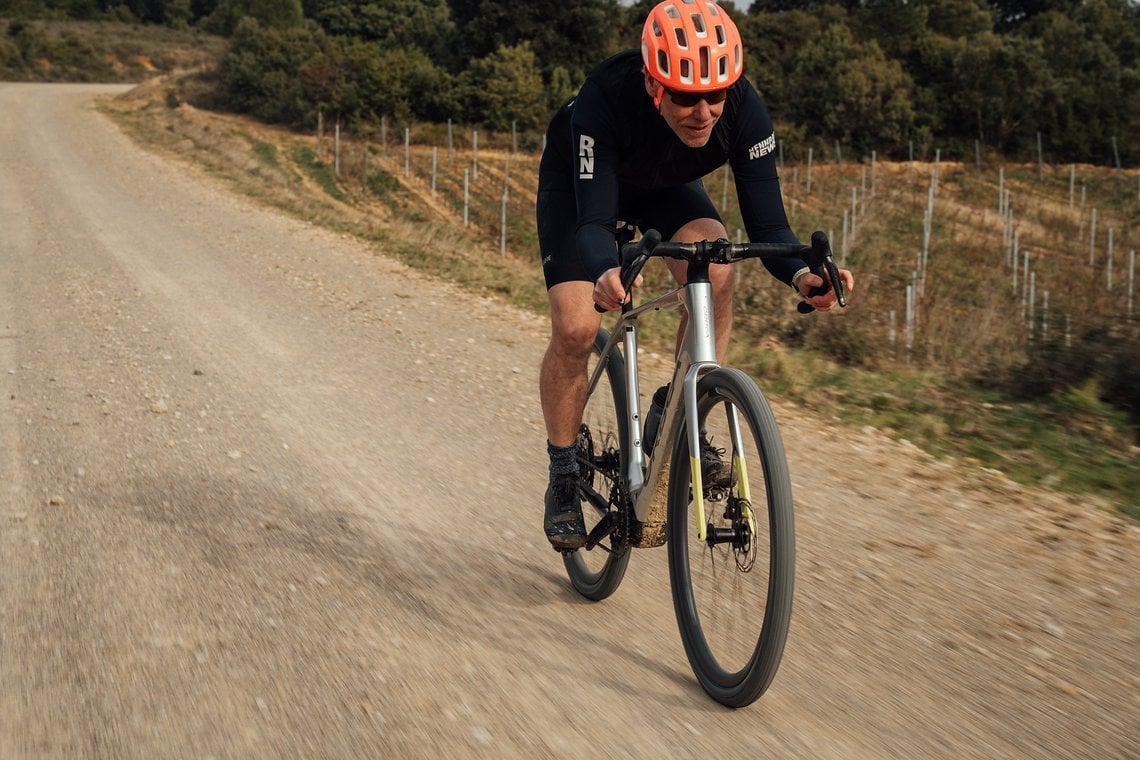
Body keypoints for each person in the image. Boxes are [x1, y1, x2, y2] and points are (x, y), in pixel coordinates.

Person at [535, 0, 854, 550]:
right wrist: (606, 269)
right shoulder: (604, 98)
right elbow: (592, 224)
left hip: (662, 189)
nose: (703, 111)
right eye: (685, 96)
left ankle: (677, 408)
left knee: (719, 260)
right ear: (655, 86)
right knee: (577, 330)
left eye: (717, 93)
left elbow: (770, 225)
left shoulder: (743, 112)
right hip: (581, 190)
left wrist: (804, 275)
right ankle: (563, 472)